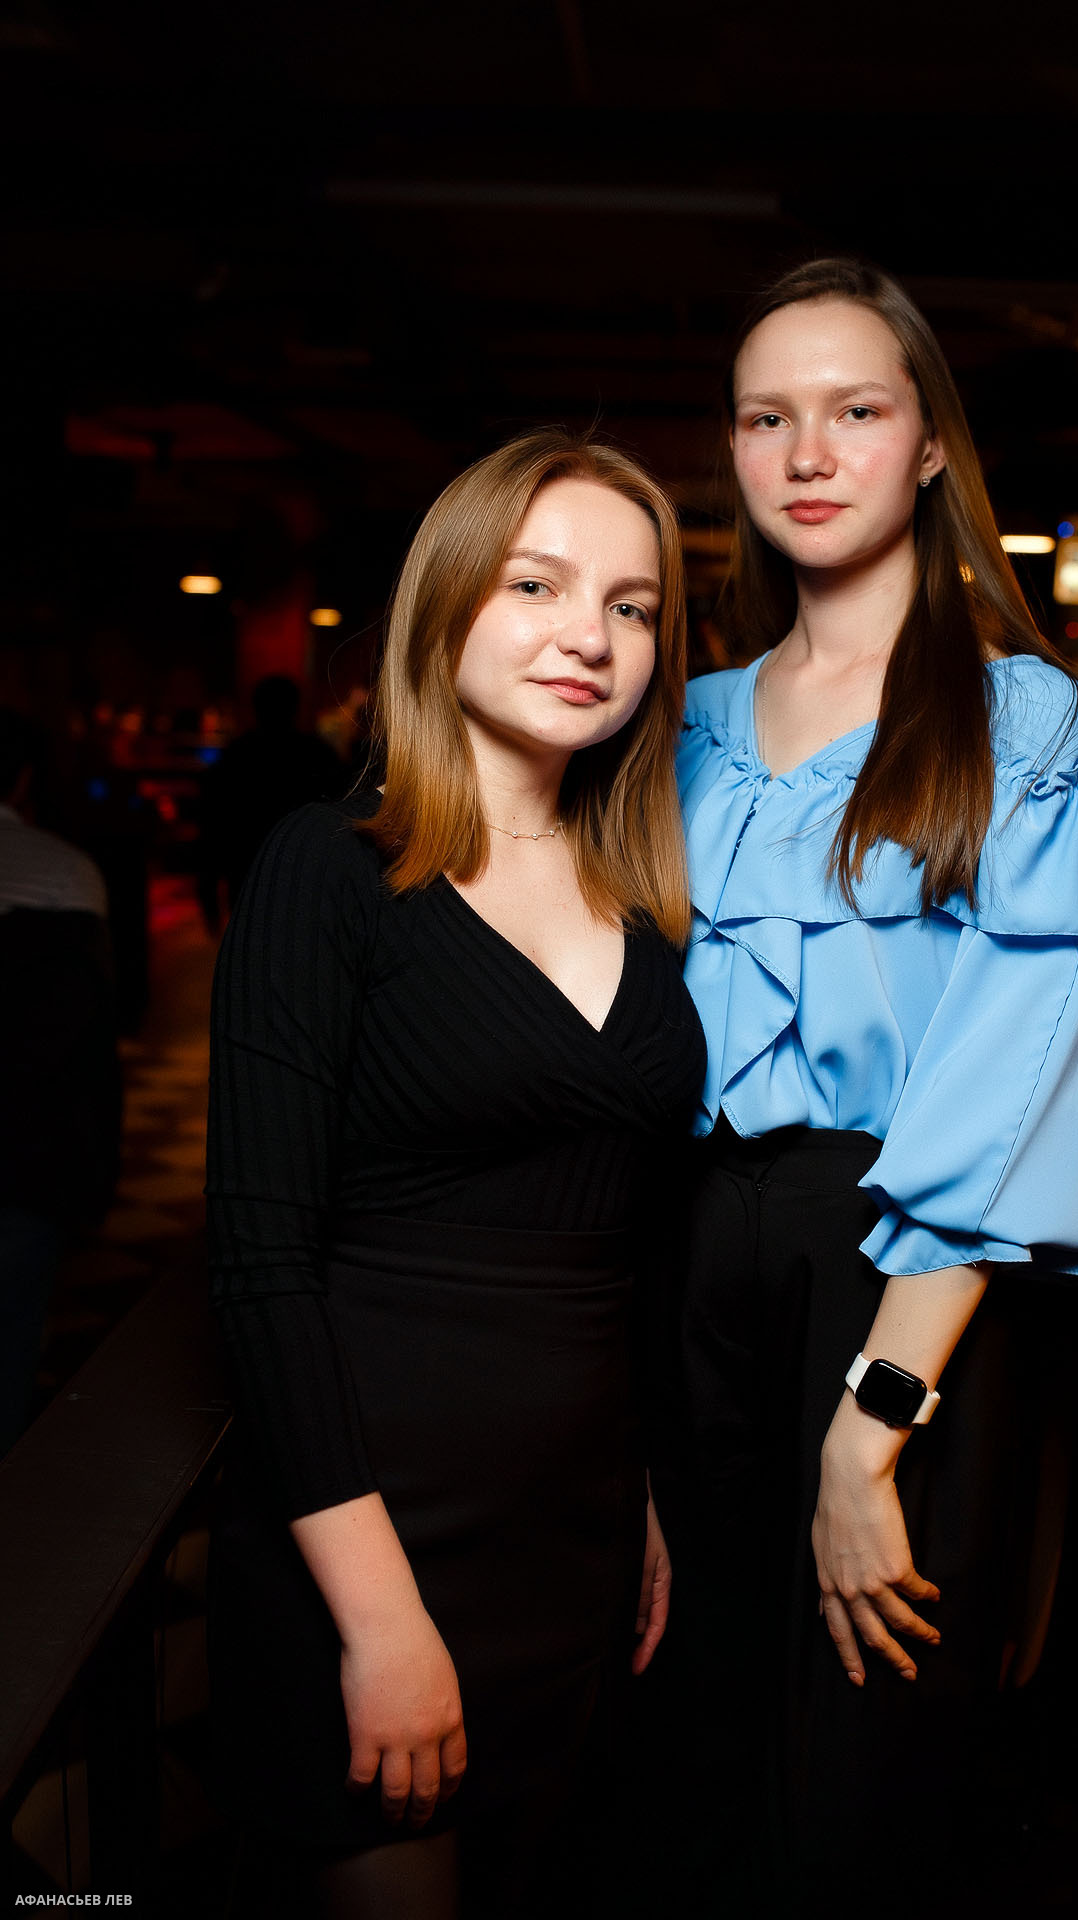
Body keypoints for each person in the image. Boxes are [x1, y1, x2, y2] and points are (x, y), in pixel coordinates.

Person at [667, 258, 1078, 1914]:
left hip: (910, 1289)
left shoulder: (1027, 725)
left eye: (856, 411)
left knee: (865, 1791)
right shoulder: (682, 725)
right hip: (689, 1276)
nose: (808, 453)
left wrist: (872, 1425)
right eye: (767, 418)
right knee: (698, 1768)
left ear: (930, 445)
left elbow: (1016, 1090)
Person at [205, 431, 705, 1920]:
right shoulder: (330, 868)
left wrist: (638, 1497)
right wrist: (379, 1623)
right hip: (371, 1536)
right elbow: (260, 1271)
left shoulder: (646, 901)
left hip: (574, 1538)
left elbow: (622, 1246)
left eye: (629, 605)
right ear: (445, 604)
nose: (587, 635)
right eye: (536, 584)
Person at [0, 709, 119, 1451]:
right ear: (24, 779)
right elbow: (87, 1046)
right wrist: (95, 1173)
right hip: (23, 1148)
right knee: (12, 1339)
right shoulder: (64, 873)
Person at [196, 673, 345, 932]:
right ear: (295, 707)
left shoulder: (236, 757)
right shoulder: (317, 756)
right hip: (304, 878)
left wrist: (208, 892)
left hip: (249, 874)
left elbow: (213, 828)